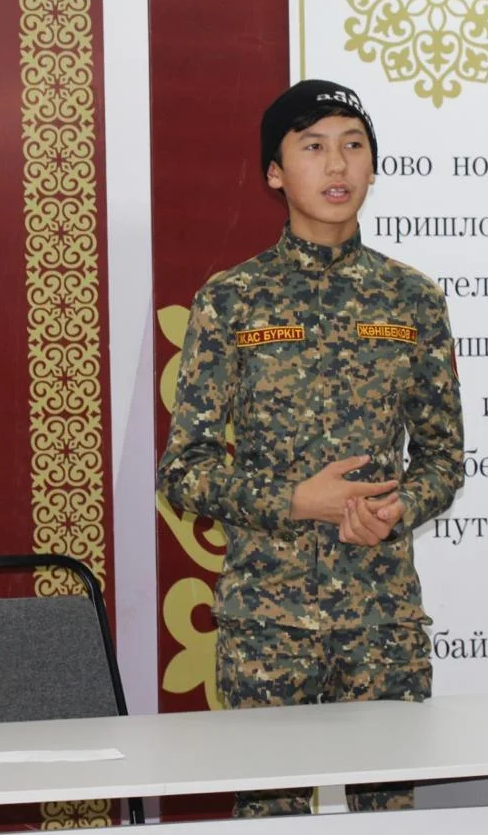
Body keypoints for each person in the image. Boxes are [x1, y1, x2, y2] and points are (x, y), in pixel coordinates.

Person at [157, 79, 464, 817]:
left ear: (372, 167)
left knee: (389, 818)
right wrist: (296, 502)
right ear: (275, 172)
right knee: (271, 819)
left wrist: (396, 507)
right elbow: (185, 471)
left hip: (381, 619)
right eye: (313, 146)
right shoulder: (232, 300)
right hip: (267, 622)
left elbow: (444, 458)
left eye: (354, 146)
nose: (337, 165)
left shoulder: (412, 298)